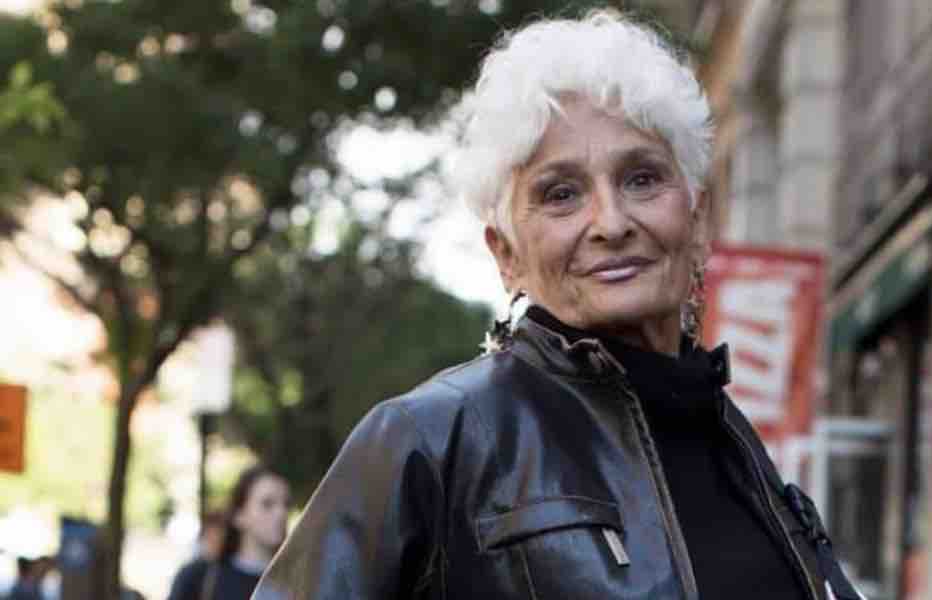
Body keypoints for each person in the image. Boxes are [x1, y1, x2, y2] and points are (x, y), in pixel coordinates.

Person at [254, 10, 861, 600]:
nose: (612, 223)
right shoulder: (431, 439)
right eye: (561, 194)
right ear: (506, 254)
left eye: (642, 178)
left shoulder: (730, 438)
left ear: (698, 220)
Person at [169, 467, 289, 600]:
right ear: (239, 515)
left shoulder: (296, 583)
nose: (281, 514)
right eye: (267, 504)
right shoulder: (198, 577)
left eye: (286, 504)